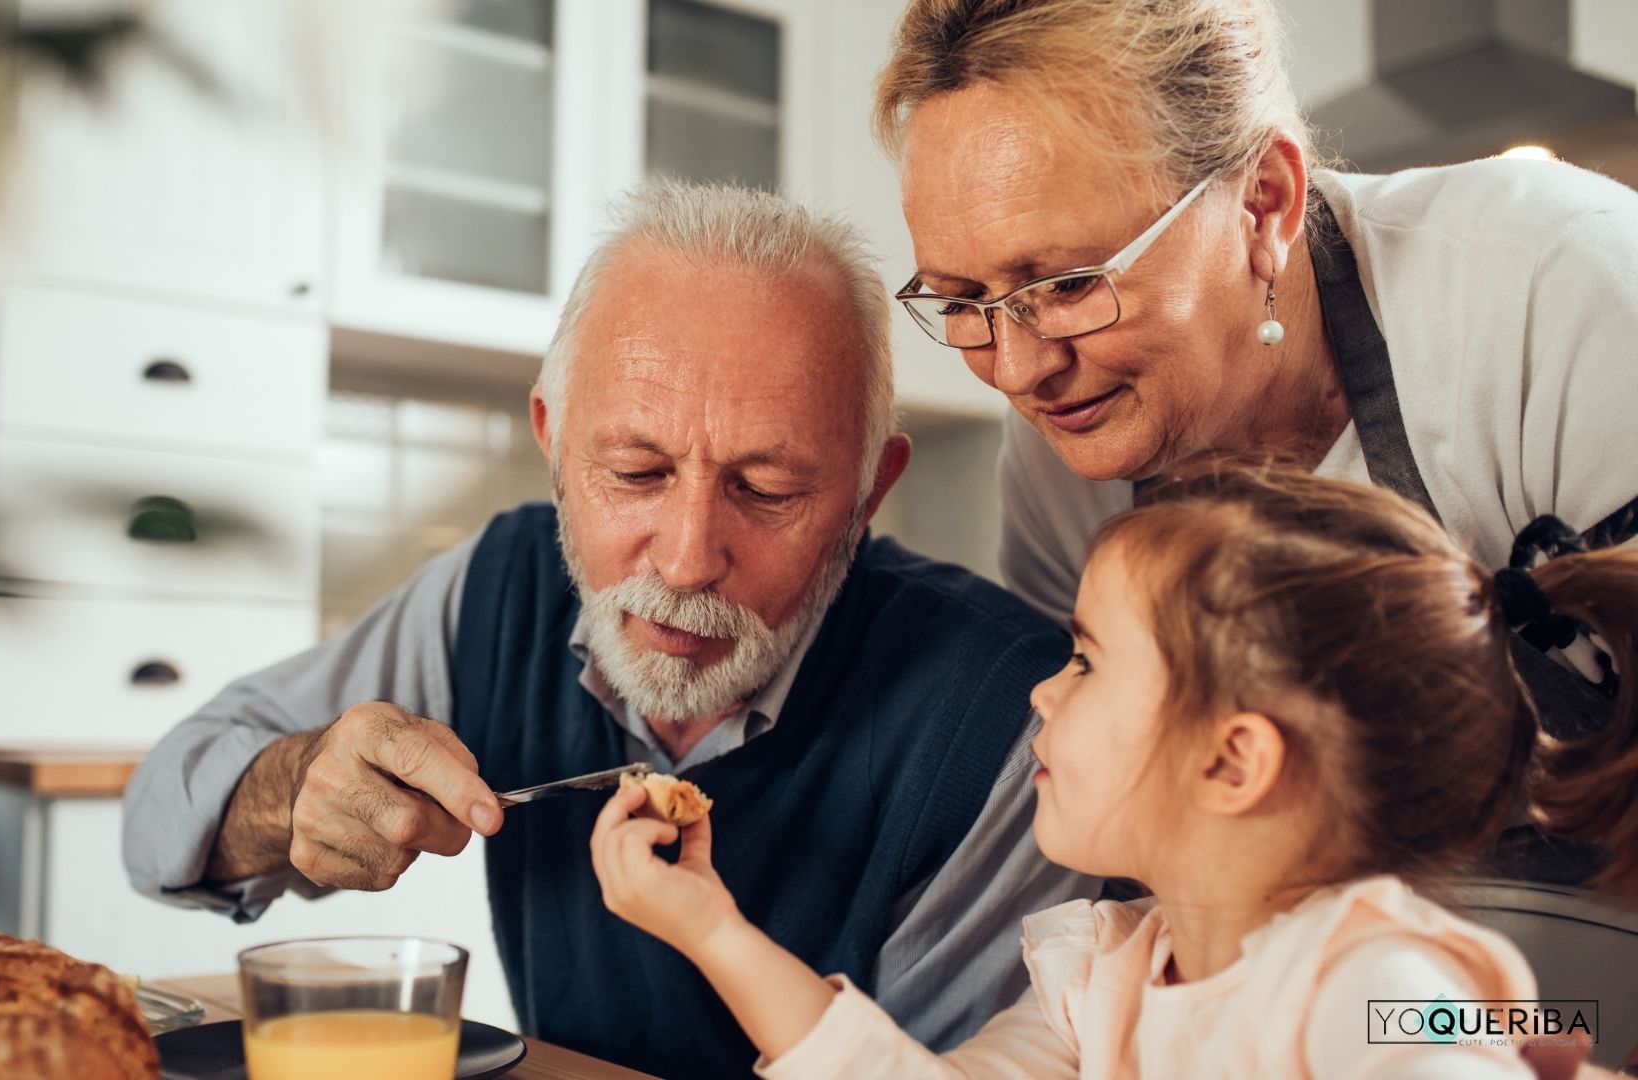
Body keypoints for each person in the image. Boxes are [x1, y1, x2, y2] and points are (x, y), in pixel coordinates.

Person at [120, 182, 1094, 1078]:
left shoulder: (1010, 721)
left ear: (870, 491)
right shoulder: (496, 590)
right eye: (633, 473)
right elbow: (159, 820)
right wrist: (292, 792)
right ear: (551, 436)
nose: (683, 559)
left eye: (766, 491)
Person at [591, 462, 1638, 1078]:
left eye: (1086, 660)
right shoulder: (1106, 978)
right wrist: (711, 929)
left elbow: (1493, 1033)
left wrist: (1524, 1033)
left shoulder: (1371, 986)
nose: (1043, 692)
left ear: (1231, 761)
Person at [872, 0, 1638, 784]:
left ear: (1263, 202)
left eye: (1068, 285)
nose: (1017, 371)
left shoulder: (1553, 288)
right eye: (964, 302)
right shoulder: (1058, 467)